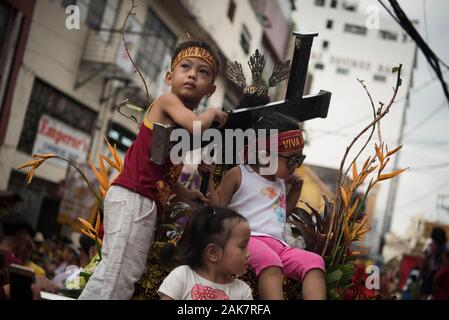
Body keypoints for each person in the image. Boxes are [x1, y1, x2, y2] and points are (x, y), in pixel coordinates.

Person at [79, 39, 228, 300]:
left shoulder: (176, 123)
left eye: (202, 72)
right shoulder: (167, 101)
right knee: (121, 277)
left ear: (210, 88)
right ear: (170, 76)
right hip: (134, 199)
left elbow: (159, 162)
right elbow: (196, 124)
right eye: (186, 67)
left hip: (139, 201)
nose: (193, 74)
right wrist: (212, 113)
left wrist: (182, 193)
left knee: (111, 274)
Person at [203, 112, 326, 300]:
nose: (296, 166)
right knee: (270, 261)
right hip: (245, 241)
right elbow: (217, 205)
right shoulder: (240, 174)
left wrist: (296, 189)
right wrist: (209, 178)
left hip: (279, 245)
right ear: (265, 154)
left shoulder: (280, 183)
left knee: (315, 262)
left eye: (299, 160)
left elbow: (281, 215)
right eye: (292, 159)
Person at [158, 206, 253, 300]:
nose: (248, 254)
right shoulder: (182, 277)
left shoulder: (243, 292)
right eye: (242, 246)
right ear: (213, 252)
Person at [420, 227, 447, 299]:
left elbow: (426, 256)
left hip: (430, 270)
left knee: (425, 292)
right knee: (435, 292)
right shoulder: (444, 246)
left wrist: (423, 270)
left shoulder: (431, 244)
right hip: (440, 271)